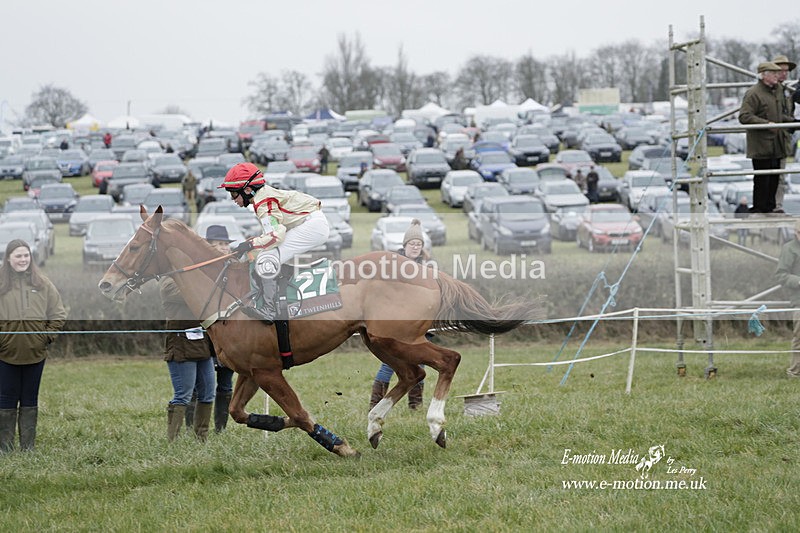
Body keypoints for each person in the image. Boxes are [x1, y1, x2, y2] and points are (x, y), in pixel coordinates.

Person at [218, 162, 330, 323]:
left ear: (248, 190)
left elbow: (276, 236)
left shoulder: (262, 202)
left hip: (312, 226)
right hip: (311, 223)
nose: (233, 199)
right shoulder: (263, 196)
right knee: (263, 254)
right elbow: (270, 235)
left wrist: (249, 245)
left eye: (234, 194)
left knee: (266, 259)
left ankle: (269, 310)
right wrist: (251, 245)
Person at [0, 240, 66, 452]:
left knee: (30, 398)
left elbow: (58, 314)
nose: (23, 260)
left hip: (35, 354)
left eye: (26, 256)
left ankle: (28, 448)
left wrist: (45, 337)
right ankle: (5, 448)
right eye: (18, 256)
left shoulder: (43, 284)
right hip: (5, 354)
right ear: (8, 259)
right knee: (6, 399)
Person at [369, 219, 428, 411]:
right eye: (412, 244)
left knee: (420, 362)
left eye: (418, 244)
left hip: (416, 323)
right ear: (405, 245)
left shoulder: (426, 266)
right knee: (389, 363)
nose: (415, 247)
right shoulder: (394, 264)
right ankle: (375, 404)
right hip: (395, 322)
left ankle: (415, 406)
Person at [183, 225, 236, 433]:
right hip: (204, 335)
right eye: (219, 244)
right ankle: (191, 426)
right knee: (199, 386)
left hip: (230, 333)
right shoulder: (200, 270)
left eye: (225, 244)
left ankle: (220, 429)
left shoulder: (233, 267)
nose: (223, 248)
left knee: (225, 383)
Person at [160, 269, 215, 442]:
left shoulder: (195, 276)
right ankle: (172, 441)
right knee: (183, 395)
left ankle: (201, 439)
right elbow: (194, 294)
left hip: (202, 344)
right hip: (181, 345)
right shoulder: (168, 282)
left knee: (208, 393)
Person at [738, 61, 795, 214]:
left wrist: (792, 122)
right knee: (762, 178)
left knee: (774, 177)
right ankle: (760, 207)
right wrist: (765, 123)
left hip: (776, 143)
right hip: (761, 144)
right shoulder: (754, 93)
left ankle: (769, 206)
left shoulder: (775, 91)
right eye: (774, 73)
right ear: (764, 75)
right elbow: (744, 116)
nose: (778, 76)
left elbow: (779, 115)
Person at [771, 54, 797, 213]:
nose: (784, 74)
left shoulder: (786, 90)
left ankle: (777, 205)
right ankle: (770, 205)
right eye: (781, 70)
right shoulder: (771, 90)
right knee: (768, 174)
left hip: (783, 137)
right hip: (770, 137)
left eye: (786, 71)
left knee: (780, 175)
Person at [775, 219, 800, 378]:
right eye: (799, 233)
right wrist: (798, 280)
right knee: (799, 338)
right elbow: (781, 275)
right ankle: (795, 372)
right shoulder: (789, 249)